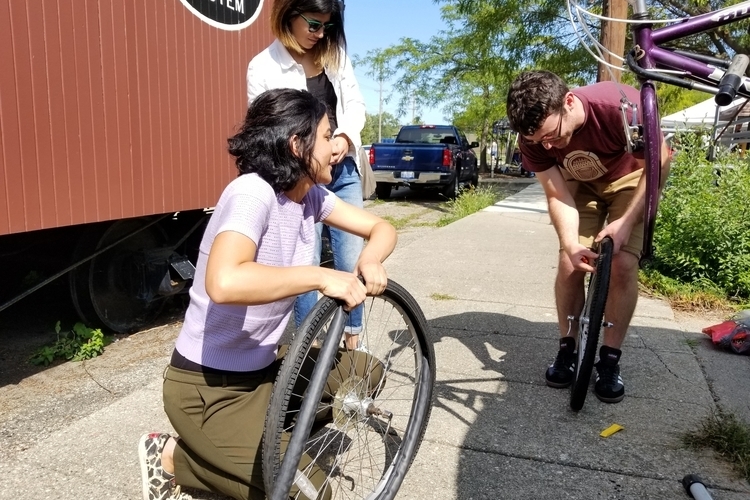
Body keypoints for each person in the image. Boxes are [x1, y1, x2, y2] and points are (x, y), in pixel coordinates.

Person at [137, 88, 397, 500]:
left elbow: (383, 228)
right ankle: (173, 456)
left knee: (367, 373)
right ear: (297, 145)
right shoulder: (252, 193)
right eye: (328, 136)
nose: (337, 146)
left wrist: (371, 260)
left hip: (268, 370)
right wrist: (317, 275)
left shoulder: (310, 196)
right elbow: (224, 283)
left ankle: (256, 446)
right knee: (311, 494)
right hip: (208, 390)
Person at [506, 70, 671, 404]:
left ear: (568, 102)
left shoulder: (620, 107)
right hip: (578, 184)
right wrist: (570, 245)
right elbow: (556, 194)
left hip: (633, 177)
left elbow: (661, 162)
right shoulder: (532, 138)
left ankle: (609, 360)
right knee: (570, 263)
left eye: (551, 135)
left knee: (623, 263)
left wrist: (624, 223)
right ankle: (567, 347)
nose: (547, 145)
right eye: (539, 142)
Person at [246, 0, 367, 348]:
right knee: (304, 263)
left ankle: (352, 339)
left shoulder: (335, 55)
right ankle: (307, 348)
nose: (320, 34)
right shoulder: (263, 66)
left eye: (327, 27)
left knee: (349, 258)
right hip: (299, 180)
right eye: (313, 24)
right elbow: (265, 129)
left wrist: (344, 136)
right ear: (289, 14)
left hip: (341, 171)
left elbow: (355, 104)